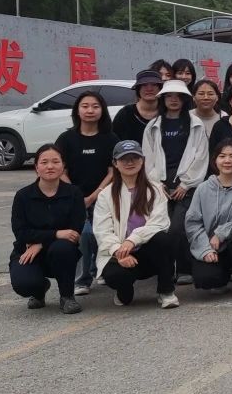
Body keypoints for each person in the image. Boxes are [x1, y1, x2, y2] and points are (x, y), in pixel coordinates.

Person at [94, 140, 179, 309]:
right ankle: (124, 290)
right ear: (115, 163)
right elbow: (102, 231)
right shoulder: (105, 195)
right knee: (115, 276)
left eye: (135, 157)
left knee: (163, 239)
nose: (130, 162)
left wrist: (132, 240)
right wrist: (119, 251)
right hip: (120, 256)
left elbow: (159, 223)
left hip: (148, 253)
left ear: (142, 160)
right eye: (124, 159)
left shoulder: (155, 189)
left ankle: (166, 291)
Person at [142, 79, 210, 284]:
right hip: (160, 185)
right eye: (169, 96)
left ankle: (184, 269)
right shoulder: (153, 126)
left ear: (185, 99)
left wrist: (186, 184)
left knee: (179, 227)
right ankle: (165, 270)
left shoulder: (195, 124)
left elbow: (201, 157)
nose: (173, 100)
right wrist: (156, 183)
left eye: (178, 96)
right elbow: (147, 158)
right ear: (163, 99)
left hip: (187, 185)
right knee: (162, 227)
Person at [9, 145, 85, 313]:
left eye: (55, 162)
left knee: (63, 248)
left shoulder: (74, 193)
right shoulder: (23, 196)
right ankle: (39, 290)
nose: (50, 166)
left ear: (63, 166)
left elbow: (74, 232)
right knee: (24, 284)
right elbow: (21, 233)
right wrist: (56, 234)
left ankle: (67, 296)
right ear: (36, 167)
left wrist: (40, 243)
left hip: (60, 252)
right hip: (27, 251)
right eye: (44, 162)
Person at [55, 90, 117, 296]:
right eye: (85, 106)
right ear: (77, 110)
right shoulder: (66, 138)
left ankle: (102, 269)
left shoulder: (110, 138)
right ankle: (82, 279)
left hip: (104, 197)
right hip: (73, 199)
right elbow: (61, 170)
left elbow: (113, 171)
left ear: (102, 110)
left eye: (95, 106)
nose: (90, 110)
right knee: (84, 235)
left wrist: (95, 195)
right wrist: (76, 195)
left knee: (101, 233)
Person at [184, 139, 232, 298]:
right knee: (205, 280)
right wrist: (205, 248)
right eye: (222, 156)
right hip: (213, 247)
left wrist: (221, 233)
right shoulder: (203, 188)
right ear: (215, 160)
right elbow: (193, 223)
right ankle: (221, 278)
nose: (227, 160)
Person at [111, 70, 163, 144]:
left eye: (154, 84)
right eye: (144, 85)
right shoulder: (125, 114)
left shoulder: (167, 112)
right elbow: (115, 143)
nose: (149, 89)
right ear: (138, 89)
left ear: (160, 88)